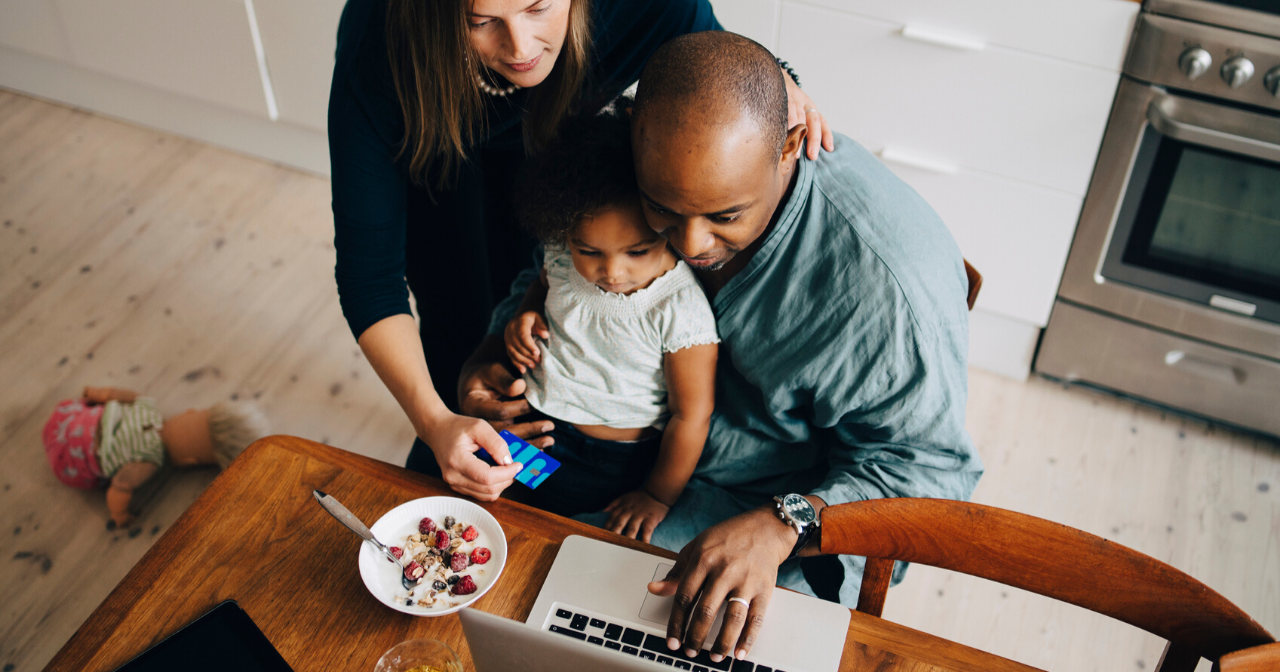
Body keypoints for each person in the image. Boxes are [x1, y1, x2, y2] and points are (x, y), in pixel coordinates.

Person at [461, 30, 983, 664]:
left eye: (727, 215)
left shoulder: (889, 293)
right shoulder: (632, 145)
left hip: (763, 510)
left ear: (789, 147)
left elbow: (932, 480)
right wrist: (493, 353)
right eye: (661, 209)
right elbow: (555, 268)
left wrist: (785, 522)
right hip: (603, 446)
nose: (690, 243)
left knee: (594, 623)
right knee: (482, 588)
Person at [328, 0, 834, 502]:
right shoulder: (381, 55)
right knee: (458, 317)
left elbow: (707, 54)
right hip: (437, 149)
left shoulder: (672, 306)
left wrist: (779, 81)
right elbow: (370, 280)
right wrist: (438, 420)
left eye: (538, 7)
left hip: (572, 164)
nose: (521, 46)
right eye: (481, 22)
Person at [502, 107, 718, 539]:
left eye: (637, 252)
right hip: (537, 424)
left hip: (610, 460)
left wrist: (657, 495)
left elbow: (692, 415)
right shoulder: (562, 258)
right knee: (489, 501)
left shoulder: (678, 308)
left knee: (556, 535)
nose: (612, 272)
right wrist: (523, 318)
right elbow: (540, 290)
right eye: (590, 251)